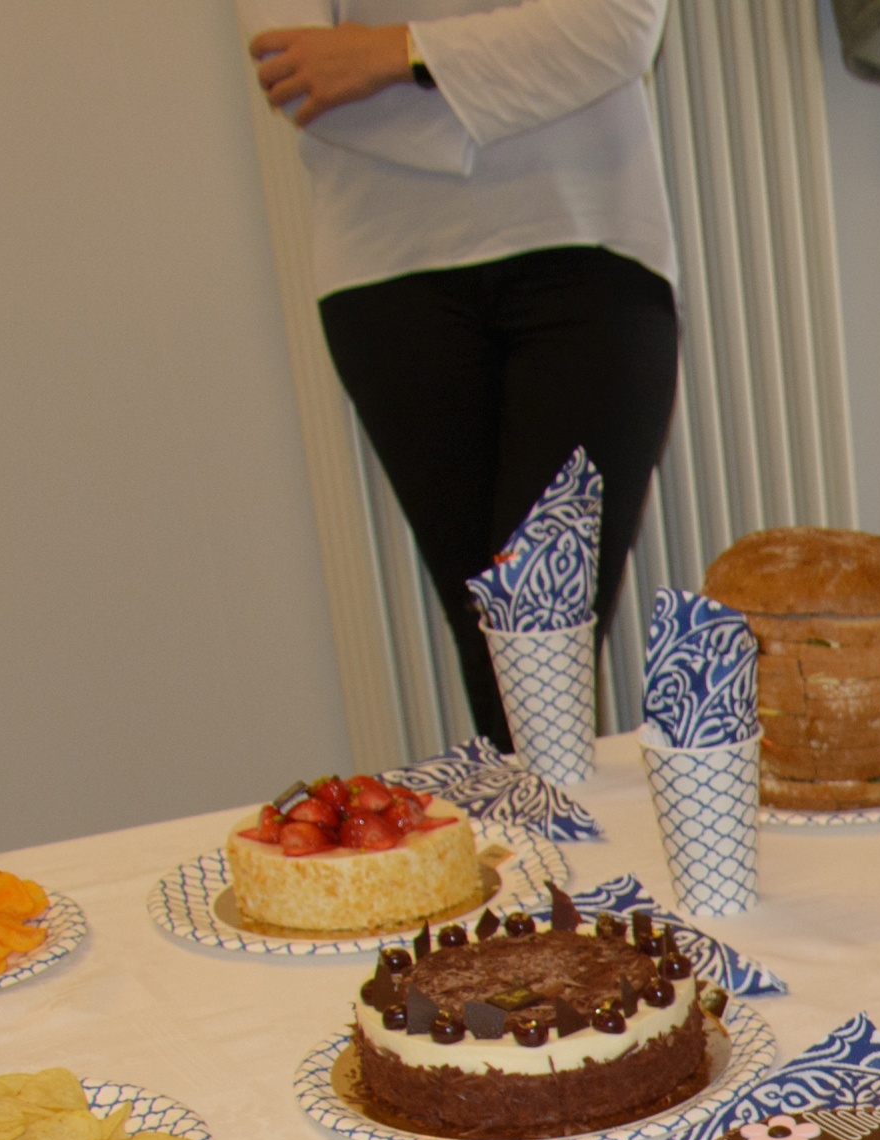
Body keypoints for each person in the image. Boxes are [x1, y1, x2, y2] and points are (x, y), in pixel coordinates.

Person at [245, 3, 681, 747]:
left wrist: (400, 54)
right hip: (388, 275)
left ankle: (546, 823)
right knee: (504, 667)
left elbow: (620, 25)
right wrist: (511, 93)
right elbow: (297, 72)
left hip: (590, 247)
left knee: (538, 643)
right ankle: (541, 825)